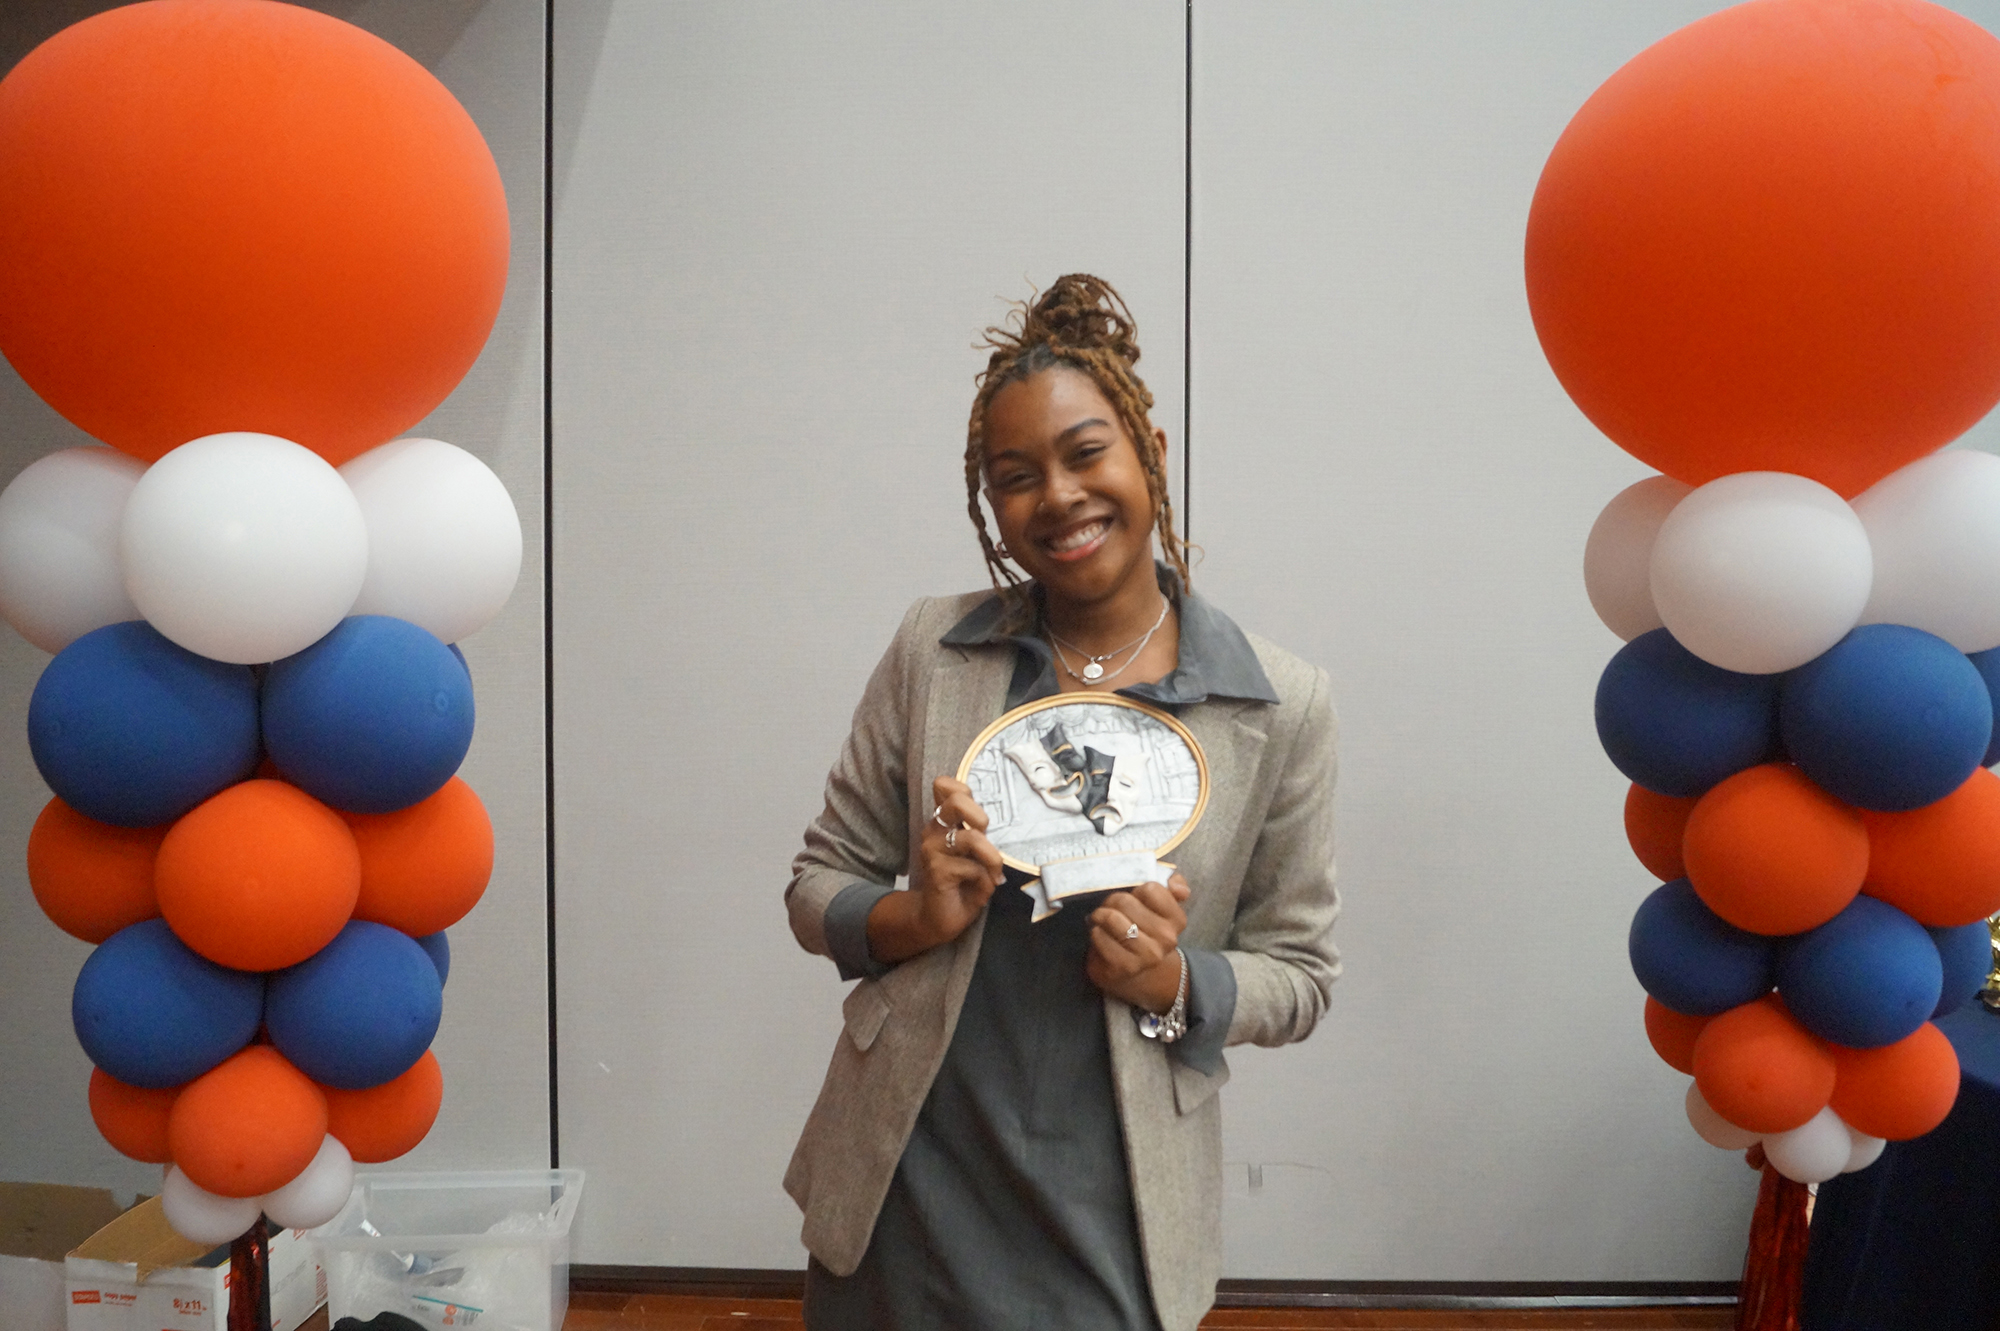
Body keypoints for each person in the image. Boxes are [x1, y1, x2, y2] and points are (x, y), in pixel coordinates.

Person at [783, 274, 1339, 1331]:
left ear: (1150, 453)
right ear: (992, 505)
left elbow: (1302, 974)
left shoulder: (1279, 703)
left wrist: (1177, 976)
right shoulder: (933, 651)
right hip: (907, 1176)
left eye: (1086, 452)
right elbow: (817, 881)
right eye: (1015, 476)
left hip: (1113, 1203)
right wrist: (913, 913)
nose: (1059, 496)